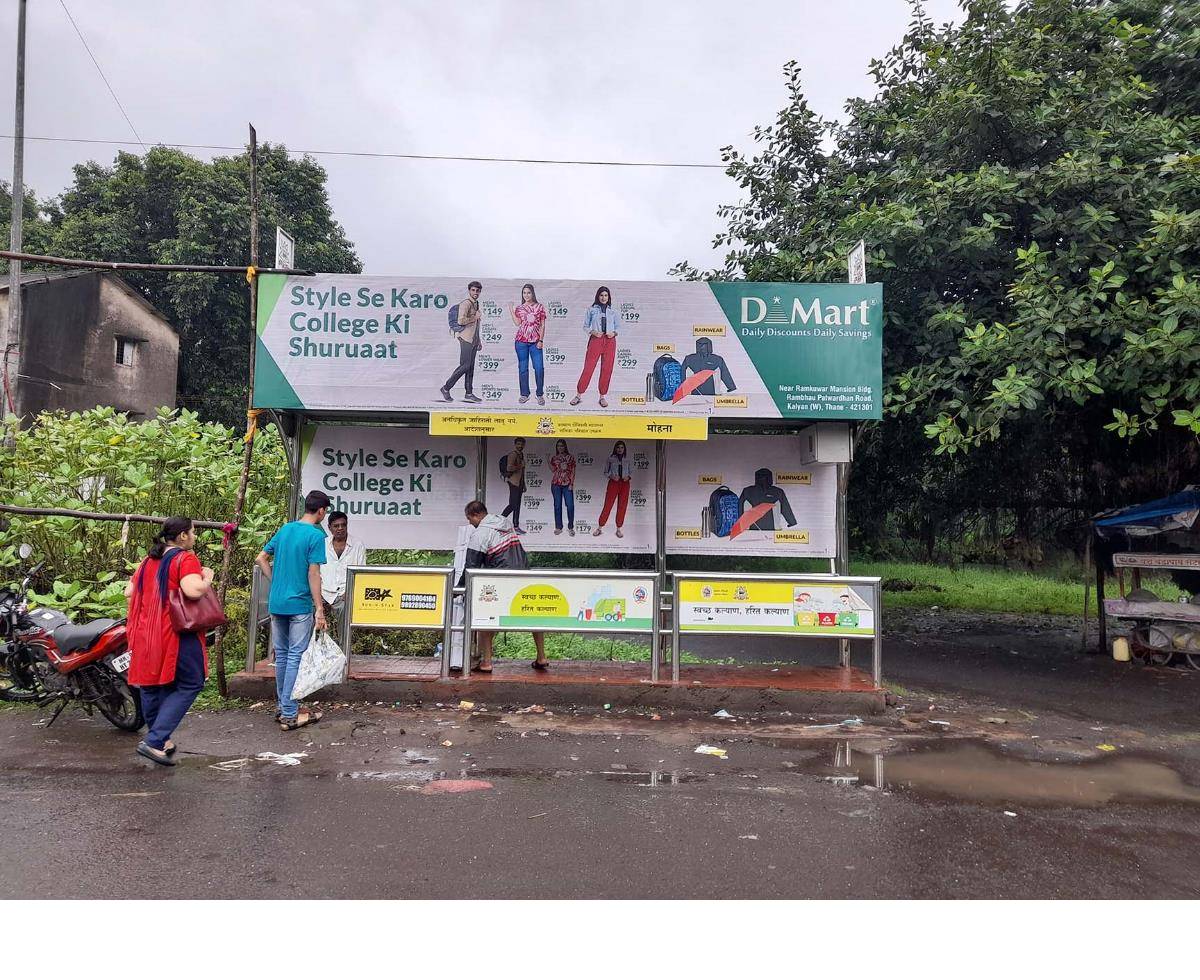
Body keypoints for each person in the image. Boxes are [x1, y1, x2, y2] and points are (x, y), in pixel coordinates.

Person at [125, 516, 214, 766]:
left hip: (145, 632)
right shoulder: (184, 559)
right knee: (191, 683)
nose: (195, 537)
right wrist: (207, 577)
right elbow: (193, 590)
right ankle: (154, 742)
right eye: (193, 533)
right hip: (175, 632)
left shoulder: (147, 560)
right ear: (183, 536)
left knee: (153, 685)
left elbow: (129, 592)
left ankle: (160, 739)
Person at [255, 490, 329, 731]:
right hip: (299, 603)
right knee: (295, 654)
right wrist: (319, 608)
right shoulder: (315, 535)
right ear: (321, 511)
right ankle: (289, 712)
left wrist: (275, 580)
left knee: (284, 655)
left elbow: (261, 558)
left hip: (278, 602)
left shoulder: (286, 529)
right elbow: (313, 573)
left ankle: (283, 707)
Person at [461, 500, 548, 672]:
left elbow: (471, 566)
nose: (469, 523)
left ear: (476, 515)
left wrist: (459, 588)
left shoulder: (480, 534)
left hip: (500, 578)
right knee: (533, 615)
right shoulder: (505, 522)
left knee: (485, 616)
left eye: (469, 519)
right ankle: (541, 657)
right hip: (523, 575)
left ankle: (486, 662)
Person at [571, 286, 619, 408]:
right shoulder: (592, 310)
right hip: (596, 340)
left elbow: (618, 327)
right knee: (589, 367)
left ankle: (602, 396)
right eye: (601, 295)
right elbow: (585, 326)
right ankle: (578, 394)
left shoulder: (613, 312)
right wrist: (593, 332)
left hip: (610, 341)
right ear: (598, 296)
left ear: (609, 297)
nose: (604, 298)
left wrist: (613, 333)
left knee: (607, 369)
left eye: (606, 295)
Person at [321, 510, 366, 633]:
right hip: (323, 593)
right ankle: (313, 650)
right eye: (336, 526)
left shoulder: (357, 545)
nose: (340, 528)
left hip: (345, 595)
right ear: (329, 528)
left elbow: (361, 574)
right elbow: (315, 571)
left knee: (345, 618)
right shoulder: (322, 544)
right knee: (308, 612)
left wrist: (349, 593)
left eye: (343, 525)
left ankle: (342, 649)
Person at [440, 281, 484, 403]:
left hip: (473, 339)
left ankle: (469, 393)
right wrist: (474, 317)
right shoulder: (466, 304)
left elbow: (477, 324)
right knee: (465, 366)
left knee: (470, 368)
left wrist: (478, 339)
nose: (475, 293)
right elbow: (461, 321)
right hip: (465, 338)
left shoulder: (476, 304)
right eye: (473, 290)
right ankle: (446, 387)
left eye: (478, 290)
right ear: (469, 290)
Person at [509, 283, 547, 405]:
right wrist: (511, 309)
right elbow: (517, 323)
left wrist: (541, 340)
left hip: (535, 342)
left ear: (533, 293)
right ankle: (524, 394)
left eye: (528, 292)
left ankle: (539, 394)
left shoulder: (539, 307)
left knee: (539, 368)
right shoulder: (520, 308)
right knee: (523, 369)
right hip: (521, 342)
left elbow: (542, 325)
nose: (526, 295)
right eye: (524, 293)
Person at [593, 440, 632, 538]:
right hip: (613, 483)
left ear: (624, 449)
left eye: (622, 447)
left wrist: (628, 477)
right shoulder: (610, 459)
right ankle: (600, 527)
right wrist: (612, 476)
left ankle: (618, 529)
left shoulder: (627, 459)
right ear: (615, 448)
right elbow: (606, 472)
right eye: (618, 447)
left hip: (625, 484)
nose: (620, 449)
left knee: (622, 506)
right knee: (608, 505)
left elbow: (631, 471)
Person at [499, 437, 527, 534]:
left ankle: (516, 526)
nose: (520, 446)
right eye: (518, 444)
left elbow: (521, 472)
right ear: (515, 445)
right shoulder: (513, 454)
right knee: (513, 505)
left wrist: (524, 484)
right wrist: (520, 465)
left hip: (519, 483)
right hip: (513, 483)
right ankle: (500, 523)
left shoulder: (521, 454)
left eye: (522, 444)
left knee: (517, 505)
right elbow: (509, 468)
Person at [550, 438, 576, 536]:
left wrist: (571, 484)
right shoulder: (554, 458)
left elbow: (573, 471)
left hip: (567, 484)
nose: (560, 447)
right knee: (557, 506)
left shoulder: (570, 457)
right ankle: (558, 527)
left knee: (570, 506)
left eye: (562, 445)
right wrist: (548, 460)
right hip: (556, 484)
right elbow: (553, 470)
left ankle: (570, 527)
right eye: (558, 446)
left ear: (565, 446)